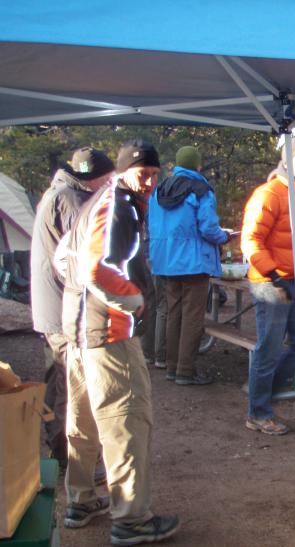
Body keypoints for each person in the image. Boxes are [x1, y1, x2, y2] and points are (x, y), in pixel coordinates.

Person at [60, 139, 179, 545]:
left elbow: (63, 258)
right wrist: (132, 299)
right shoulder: (117, 204)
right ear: (123, 171)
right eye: (143, 174)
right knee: (127, 422)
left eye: (155, 175)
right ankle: (132, 519)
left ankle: (80, 500)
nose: (150, 182)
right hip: (108, 332)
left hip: (78, 330)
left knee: (83, 421)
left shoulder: (93, 202)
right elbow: (94, 269)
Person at [30, 147, 115, 470]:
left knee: (58, 379)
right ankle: (73, 458)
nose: (110, 183)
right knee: (72, 384)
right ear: (94, 177)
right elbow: (85, 256)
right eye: (108, 178)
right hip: (63, 307)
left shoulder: (57, 192)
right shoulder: (70, 200)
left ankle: (58, 449)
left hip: (50, 305)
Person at [241, 137, 295, 436]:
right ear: (287, 161)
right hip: (270, 283)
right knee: (268, 348)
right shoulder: (268, 194)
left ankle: (264, 394)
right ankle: (258, 412)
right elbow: (251, 240)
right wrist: (273, 275)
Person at [148, 145, 230, 385]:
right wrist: (224, 237)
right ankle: (185, 370)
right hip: (193, 262)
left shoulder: (159, 190)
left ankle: (172, 366)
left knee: (174, 313)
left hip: (165, 260)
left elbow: (152, 223)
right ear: (198, 165)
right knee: (192, 316)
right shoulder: (201, 189)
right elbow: (208, 228)